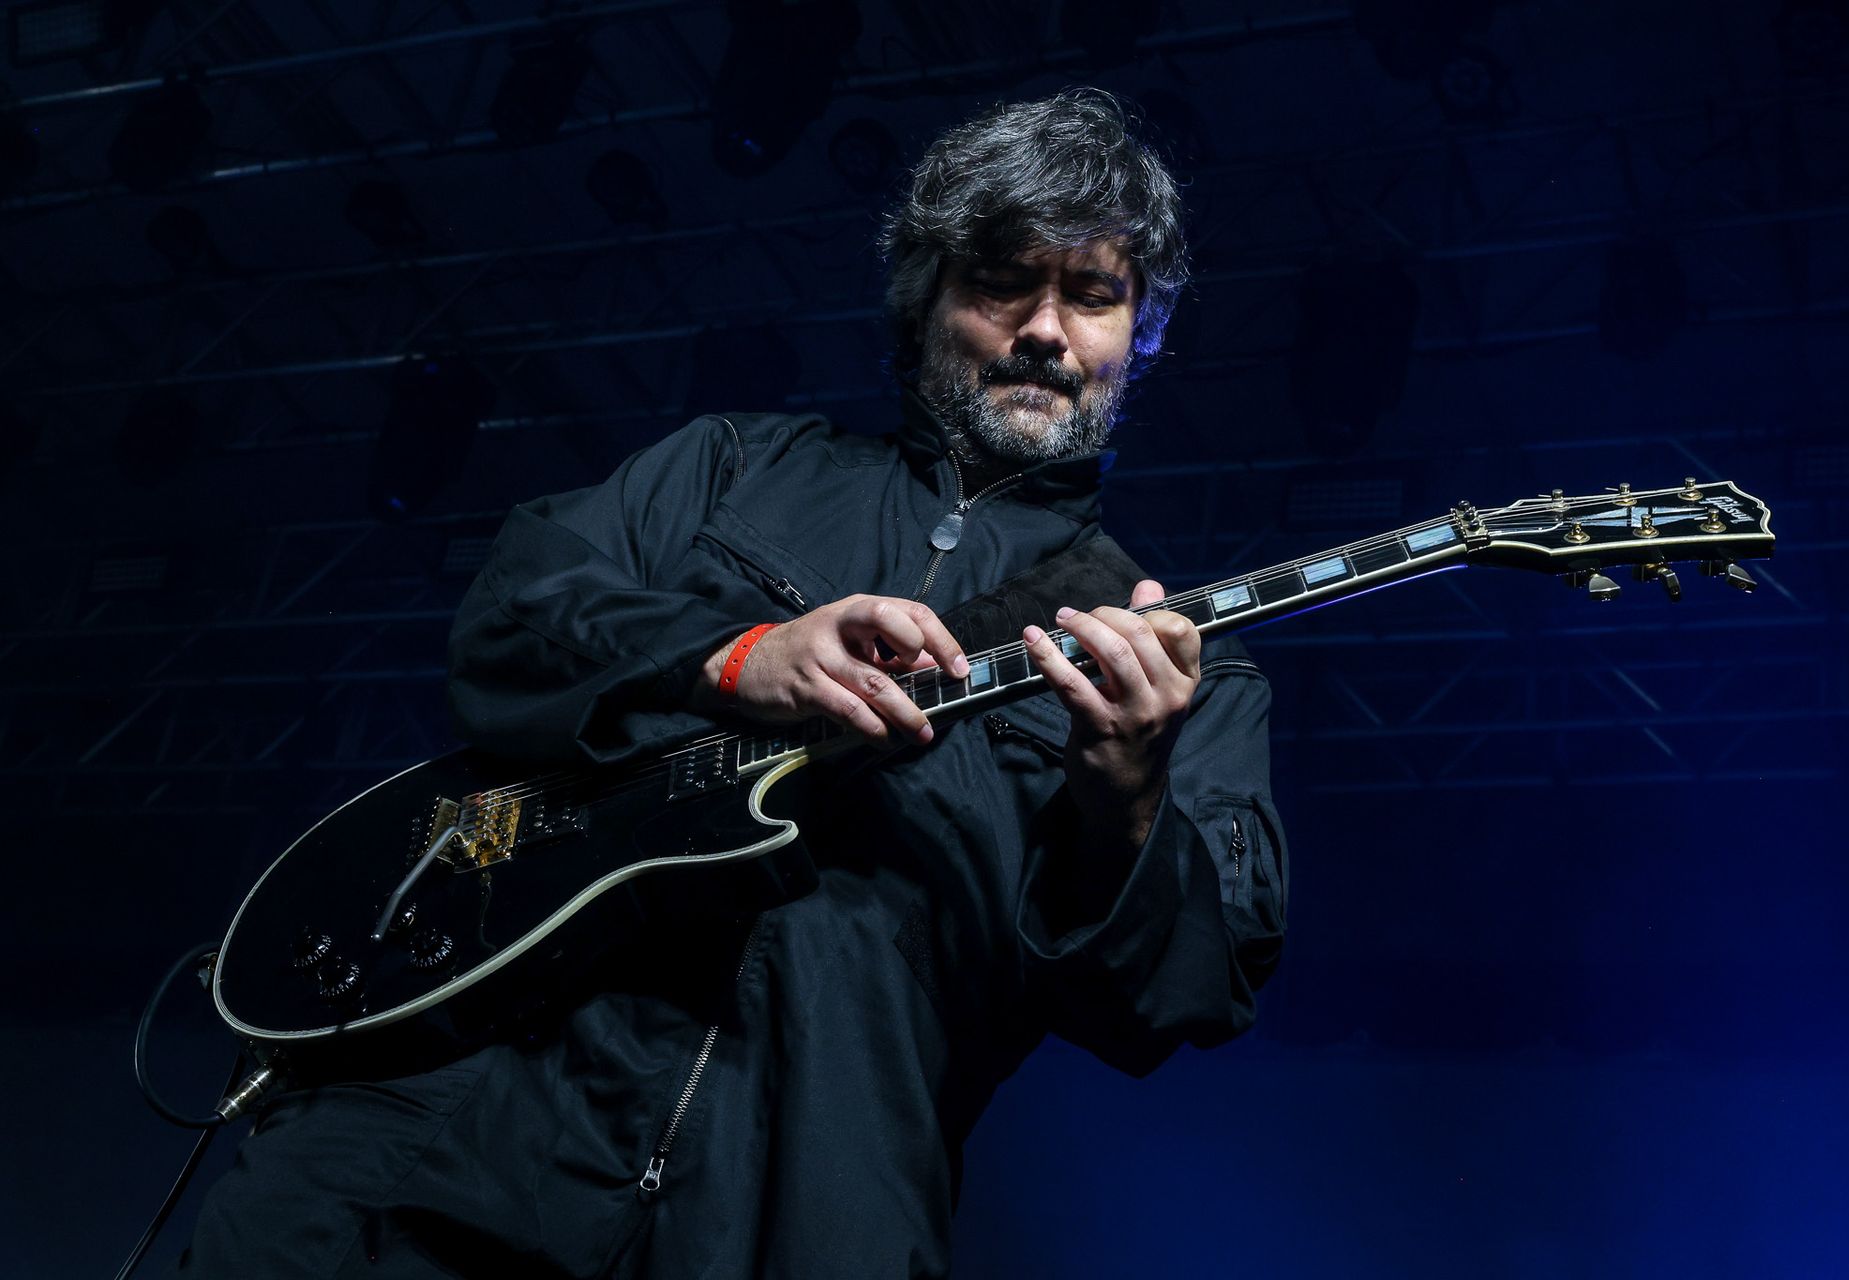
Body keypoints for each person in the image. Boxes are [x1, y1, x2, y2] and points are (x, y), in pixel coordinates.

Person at [180, 88, 1286, 1279]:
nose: (1046, 331)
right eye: (1004, 281)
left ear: (1145, 330)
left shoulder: (1186, 663)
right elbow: (510, 616)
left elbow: (1184, 997)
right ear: (926, 301)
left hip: (802, 1197)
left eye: (1094, 295)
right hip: (454, 1119)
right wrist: (733, 656)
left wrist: (1124, 801)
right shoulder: (730, 468)